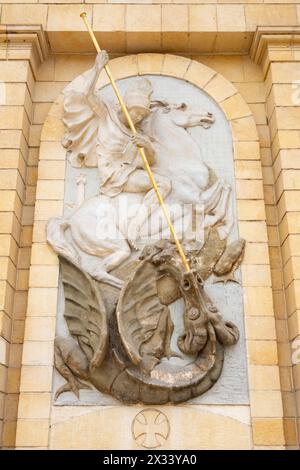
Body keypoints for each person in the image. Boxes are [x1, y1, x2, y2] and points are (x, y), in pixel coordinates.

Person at [63, 50, 171, 244]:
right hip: (114, 176)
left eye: (141, 116)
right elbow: (88, 94)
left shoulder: (136, 133)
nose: (137, 118)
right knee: (162, 183)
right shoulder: (107, 116)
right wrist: (97, 68)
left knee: (163, 183)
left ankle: (136, 223)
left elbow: (150, 162)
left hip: (128, 173)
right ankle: (134, 227)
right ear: (125, 108)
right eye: (135, 113)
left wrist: (146, 145)